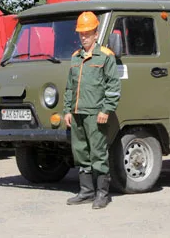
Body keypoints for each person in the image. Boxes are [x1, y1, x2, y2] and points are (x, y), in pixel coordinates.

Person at [63, 11, 121, 209]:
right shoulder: (75, 57)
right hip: (77, 114)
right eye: (81, 33)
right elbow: (70, 87)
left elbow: (113, 86)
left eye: (88, 33)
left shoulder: (105, 56)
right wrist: (67, 110)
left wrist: (106, 110)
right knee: (80, 152)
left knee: (98, 153)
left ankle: (102, 194)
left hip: (96, 114)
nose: (84, 37)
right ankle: (86, 192)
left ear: (96, 34)